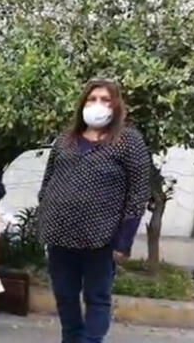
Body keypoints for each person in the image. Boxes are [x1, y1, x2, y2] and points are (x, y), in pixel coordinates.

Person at [37, 78, 151, 343]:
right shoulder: (66, 140)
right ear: (82, 104)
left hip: (101, 237)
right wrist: (44, 216)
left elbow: (138, 193)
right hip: (59, 234)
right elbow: (48, 182)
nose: (97, 104)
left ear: (116, 106)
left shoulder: (128, 142)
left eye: (105, 99)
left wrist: (124, 241)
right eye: (92, 99)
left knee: (97, 297)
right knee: (65, 295)